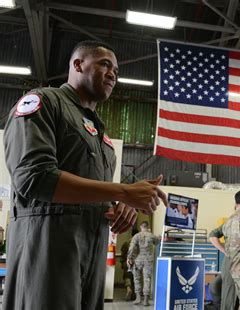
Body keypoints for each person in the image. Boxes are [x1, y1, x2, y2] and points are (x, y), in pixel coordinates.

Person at [2, 40, 167, 310]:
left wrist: (119, 205)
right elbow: (34, 177)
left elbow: (91, 190)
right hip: (48, 248)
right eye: (105, 64)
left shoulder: (101, 136)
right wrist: (121, 191)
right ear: (78, 64)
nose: (113, 73)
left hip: (92, 248)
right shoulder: (44, 103)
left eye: (116, 69)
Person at [127, 221, 160, 306]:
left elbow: (132, 247)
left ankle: (138, 298)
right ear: (148, 227)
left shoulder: (136, 236)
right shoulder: (151, 235)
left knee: (136, 278)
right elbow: (158, 242)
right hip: (148, 260)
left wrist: (129, 258)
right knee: (147, 279)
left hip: (138, 260)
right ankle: (145, 300)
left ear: (141, 227)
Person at [209, 223, 238, 310]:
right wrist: (224, 250)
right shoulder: (230, 223)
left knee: (231, 298)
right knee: (214, 287)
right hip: (229, 265)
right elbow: (212, 235)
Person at [120, 227, 139, 301]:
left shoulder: (126, 243)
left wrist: (122, 263)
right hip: (136, 263)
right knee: (135, 278)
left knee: (127, 277)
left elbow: (122, 254)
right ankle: (134, 295)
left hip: (127, 263)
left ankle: (128, 289)